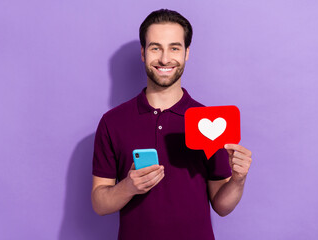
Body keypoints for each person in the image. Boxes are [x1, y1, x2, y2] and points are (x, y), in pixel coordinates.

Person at [91, 9, 252, 240]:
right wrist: (128, 187)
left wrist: (238, 180)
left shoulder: (210, 122)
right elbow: (99, 203)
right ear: (143, 53)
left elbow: (222, 206)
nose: (165, 59)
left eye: (174, 48)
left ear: (186, 53)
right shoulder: (112, 122)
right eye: (155, 48)